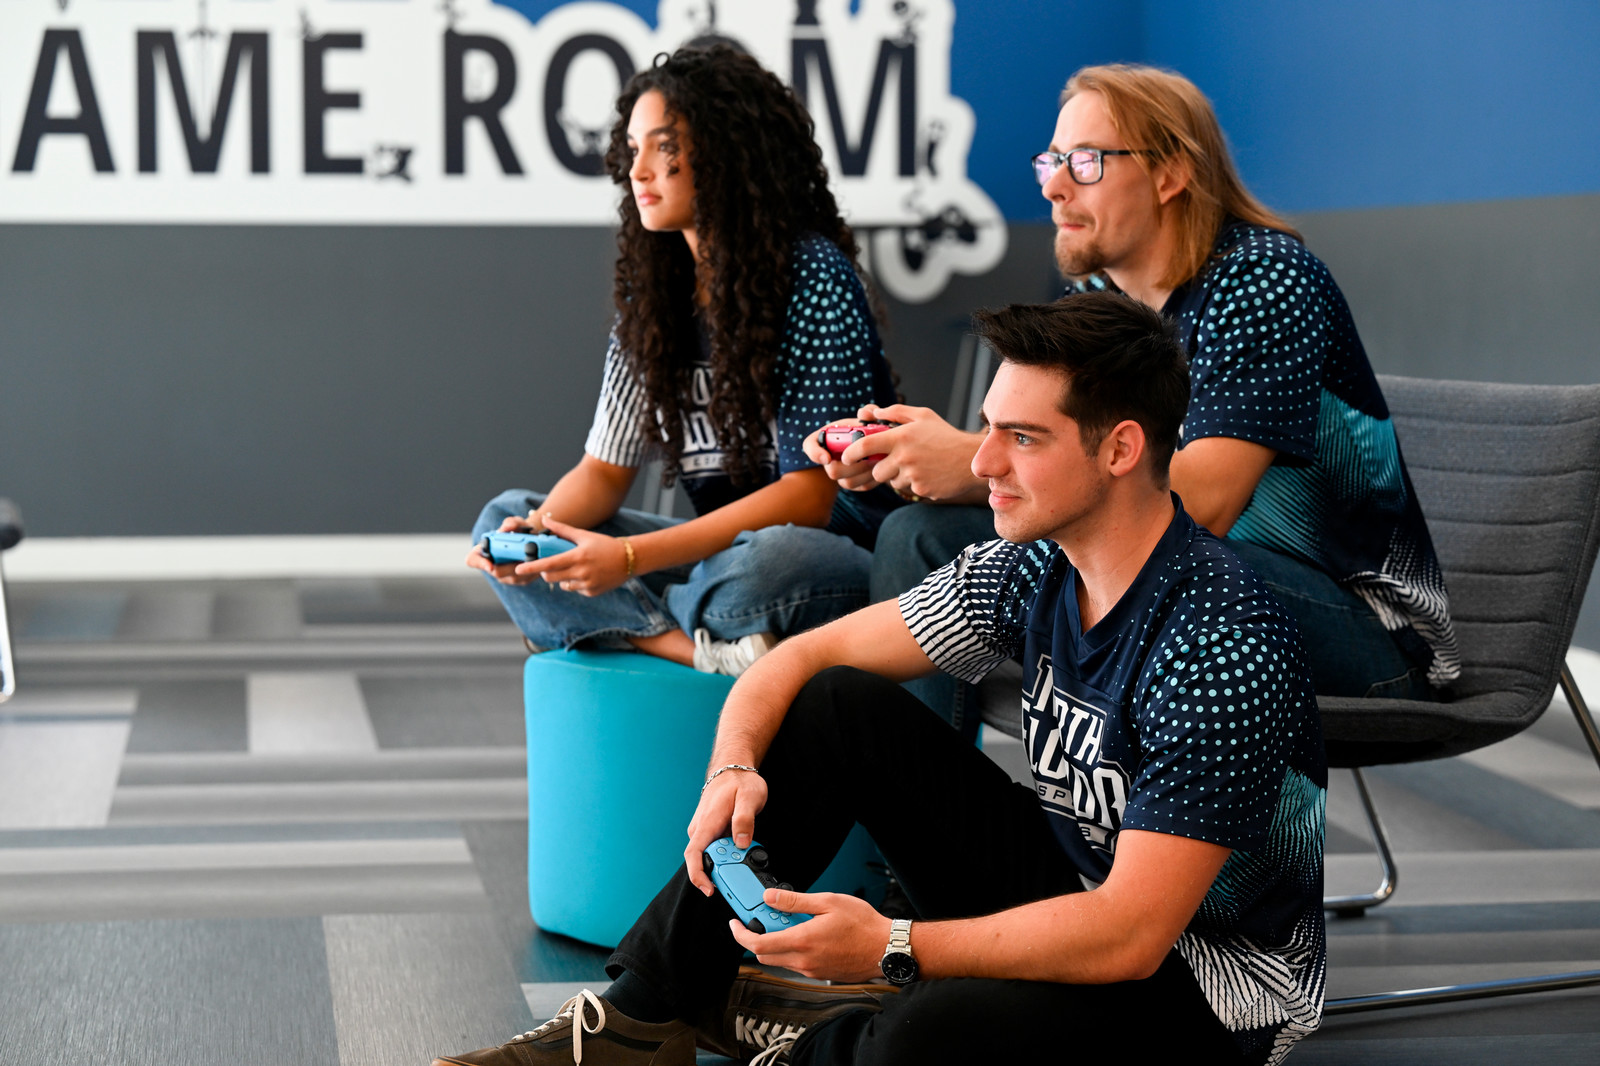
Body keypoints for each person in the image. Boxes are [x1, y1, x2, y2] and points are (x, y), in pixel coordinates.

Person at [432, 293, 1327, 1066]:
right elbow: (799, 660)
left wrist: (893, 946)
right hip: (1081, 890)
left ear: (1121, 449)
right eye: (990, 430)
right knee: (836, 708)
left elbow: (1133, 935)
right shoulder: (1037, 566)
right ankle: (637, 1019)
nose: (981, 464)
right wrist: (733, 769)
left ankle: (821, 1034)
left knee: (915, 1040)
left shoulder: (1221, 640)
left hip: (1202, 997)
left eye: (1021, 438)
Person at [811, 63, 1458, 728]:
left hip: (1360, 627)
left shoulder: (1265, 281)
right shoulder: (1102, 300)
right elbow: (1073, 460)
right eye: (1052, 161)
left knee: (1102, 556)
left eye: (1086, 162)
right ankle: (929, 817)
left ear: (1171, 174)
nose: (1056, 188)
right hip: (1192, 577)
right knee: (919, 533)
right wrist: (916, 459)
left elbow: (1201, 503)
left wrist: (970, 466)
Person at [468, 45, 901, 676]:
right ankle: (695, 649)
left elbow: (810, 500)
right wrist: (533, 535)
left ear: (726, 154)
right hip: (710, 563)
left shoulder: (812, 276)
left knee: (762, 564)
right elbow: (603, 474)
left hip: (832, 556)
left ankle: (612, 620)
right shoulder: (658, 298)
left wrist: (627, 564)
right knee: (502, 517)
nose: (636, 169)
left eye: (662, 146)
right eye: (633, 147)